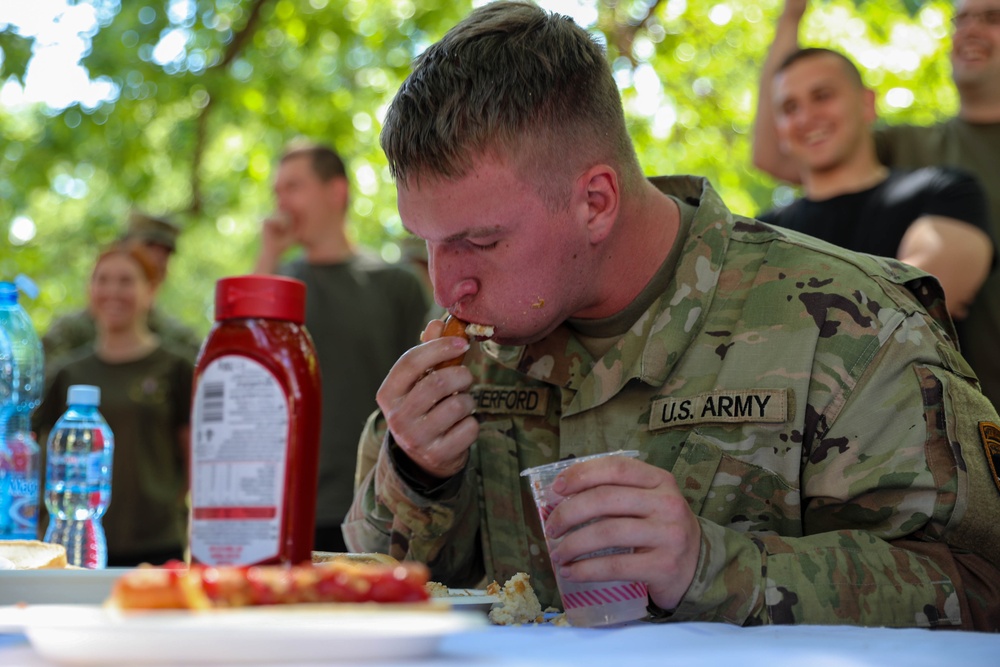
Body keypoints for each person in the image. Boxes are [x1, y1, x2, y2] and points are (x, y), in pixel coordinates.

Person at [344, 1, 1000, 629]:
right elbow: (368, 588)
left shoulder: (854, 326)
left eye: (479, 241)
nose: (448, 281)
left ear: (595, 202)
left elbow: (980, 587)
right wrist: (414, 475)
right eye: (426, 241)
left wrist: (713, 567)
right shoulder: (471, 348)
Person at [752, 0, 1000, 409]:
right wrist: (791, 14)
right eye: (962, 19)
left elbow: (912, 311)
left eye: (991, 17)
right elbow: (787, 151)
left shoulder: (940, 187)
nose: (970, 30)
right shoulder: (917, 146)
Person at [253, 140, 430, 553]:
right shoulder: (279, 286)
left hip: (377, 508)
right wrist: (269, 256)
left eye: (293, 187)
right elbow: (243, 364)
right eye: (277, 191)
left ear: (336, 192)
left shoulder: (397, 285)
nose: (281, 202)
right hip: (285, 507)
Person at [756, 46, 993, 320]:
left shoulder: (944, 192)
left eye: (822, 96)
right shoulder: (762, 236)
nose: (806, 118)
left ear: (867, 103)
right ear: (779, 132)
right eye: (790, 107)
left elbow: (908, 312)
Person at [34, 241, 193, 566]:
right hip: (77, 546)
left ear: (150, 291)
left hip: (157, 544)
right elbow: (35, 453)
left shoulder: (175, 367)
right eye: (102, 280)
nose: (112, 291)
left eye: (125, 281)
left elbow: (194, 460)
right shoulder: (68, 372)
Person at [42, 211, 203, 371]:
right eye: (148, 247)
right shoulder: (72, 331)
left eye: (165, 253)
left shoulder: (178, 339)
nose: (156, 259)